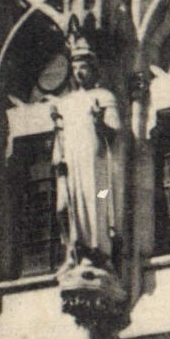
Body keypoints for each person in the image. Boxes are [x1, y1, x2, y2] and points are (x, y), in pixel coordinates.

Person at [51, 39, 124, 271]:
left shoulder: (104, 97)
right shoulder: (66, 103)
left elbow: (113, 133)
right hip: (71, 162)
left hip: (97, 164)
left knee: (98, 202)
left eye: (83, 67)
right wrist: (58, 157)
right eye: (75, 68)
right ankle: (73, 251)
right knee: (64, 206)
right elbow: (60, 136)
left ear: (93, 70)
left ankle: (97, 252)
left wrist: (98, 120)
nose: (79, 72)